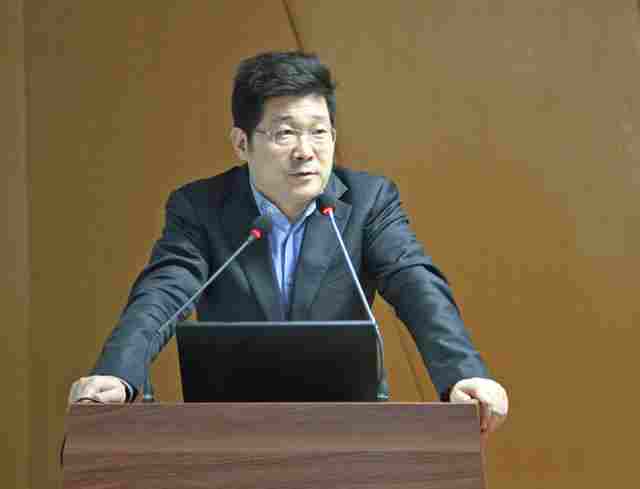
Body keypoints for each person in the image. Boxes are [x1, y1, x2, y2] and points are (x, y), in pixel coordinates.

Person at [69, 51, 508, 434]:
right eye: (284, 134)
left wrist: (463, 374)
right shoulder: (200, 208)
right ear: (242, 143)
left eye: (319, 131)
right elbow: (163, 293)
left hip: (352, 431)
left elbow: (416, 285)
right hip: (229, 433)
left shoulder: (368, 201)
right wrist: (117, 373)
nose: (306, 151)